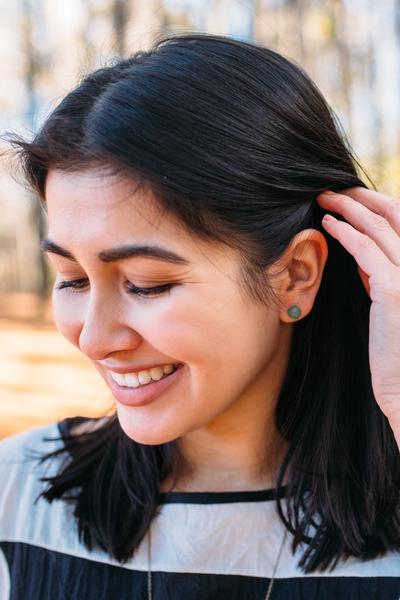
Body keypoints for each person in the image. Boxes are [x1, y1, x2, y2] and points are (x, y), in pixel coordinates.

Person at [1, 33, 399, 599]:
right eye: (73, 279)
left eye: (147, 285)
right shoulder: (15, 497)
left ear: (295, 275)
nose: (94, 338)